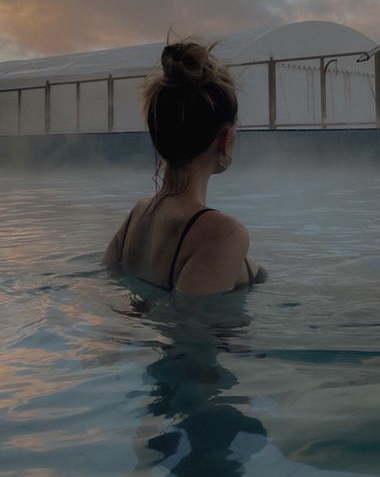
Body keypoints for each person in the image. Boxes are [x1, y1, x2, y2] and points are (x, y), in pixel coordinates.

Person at [104, 39, 266, 294]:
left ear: (158, 136)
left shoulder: (137, 214)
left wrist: (244, 270)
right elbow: (191, 328)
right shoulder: (223, 234)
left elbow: (108, 281)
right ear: (224, 139)